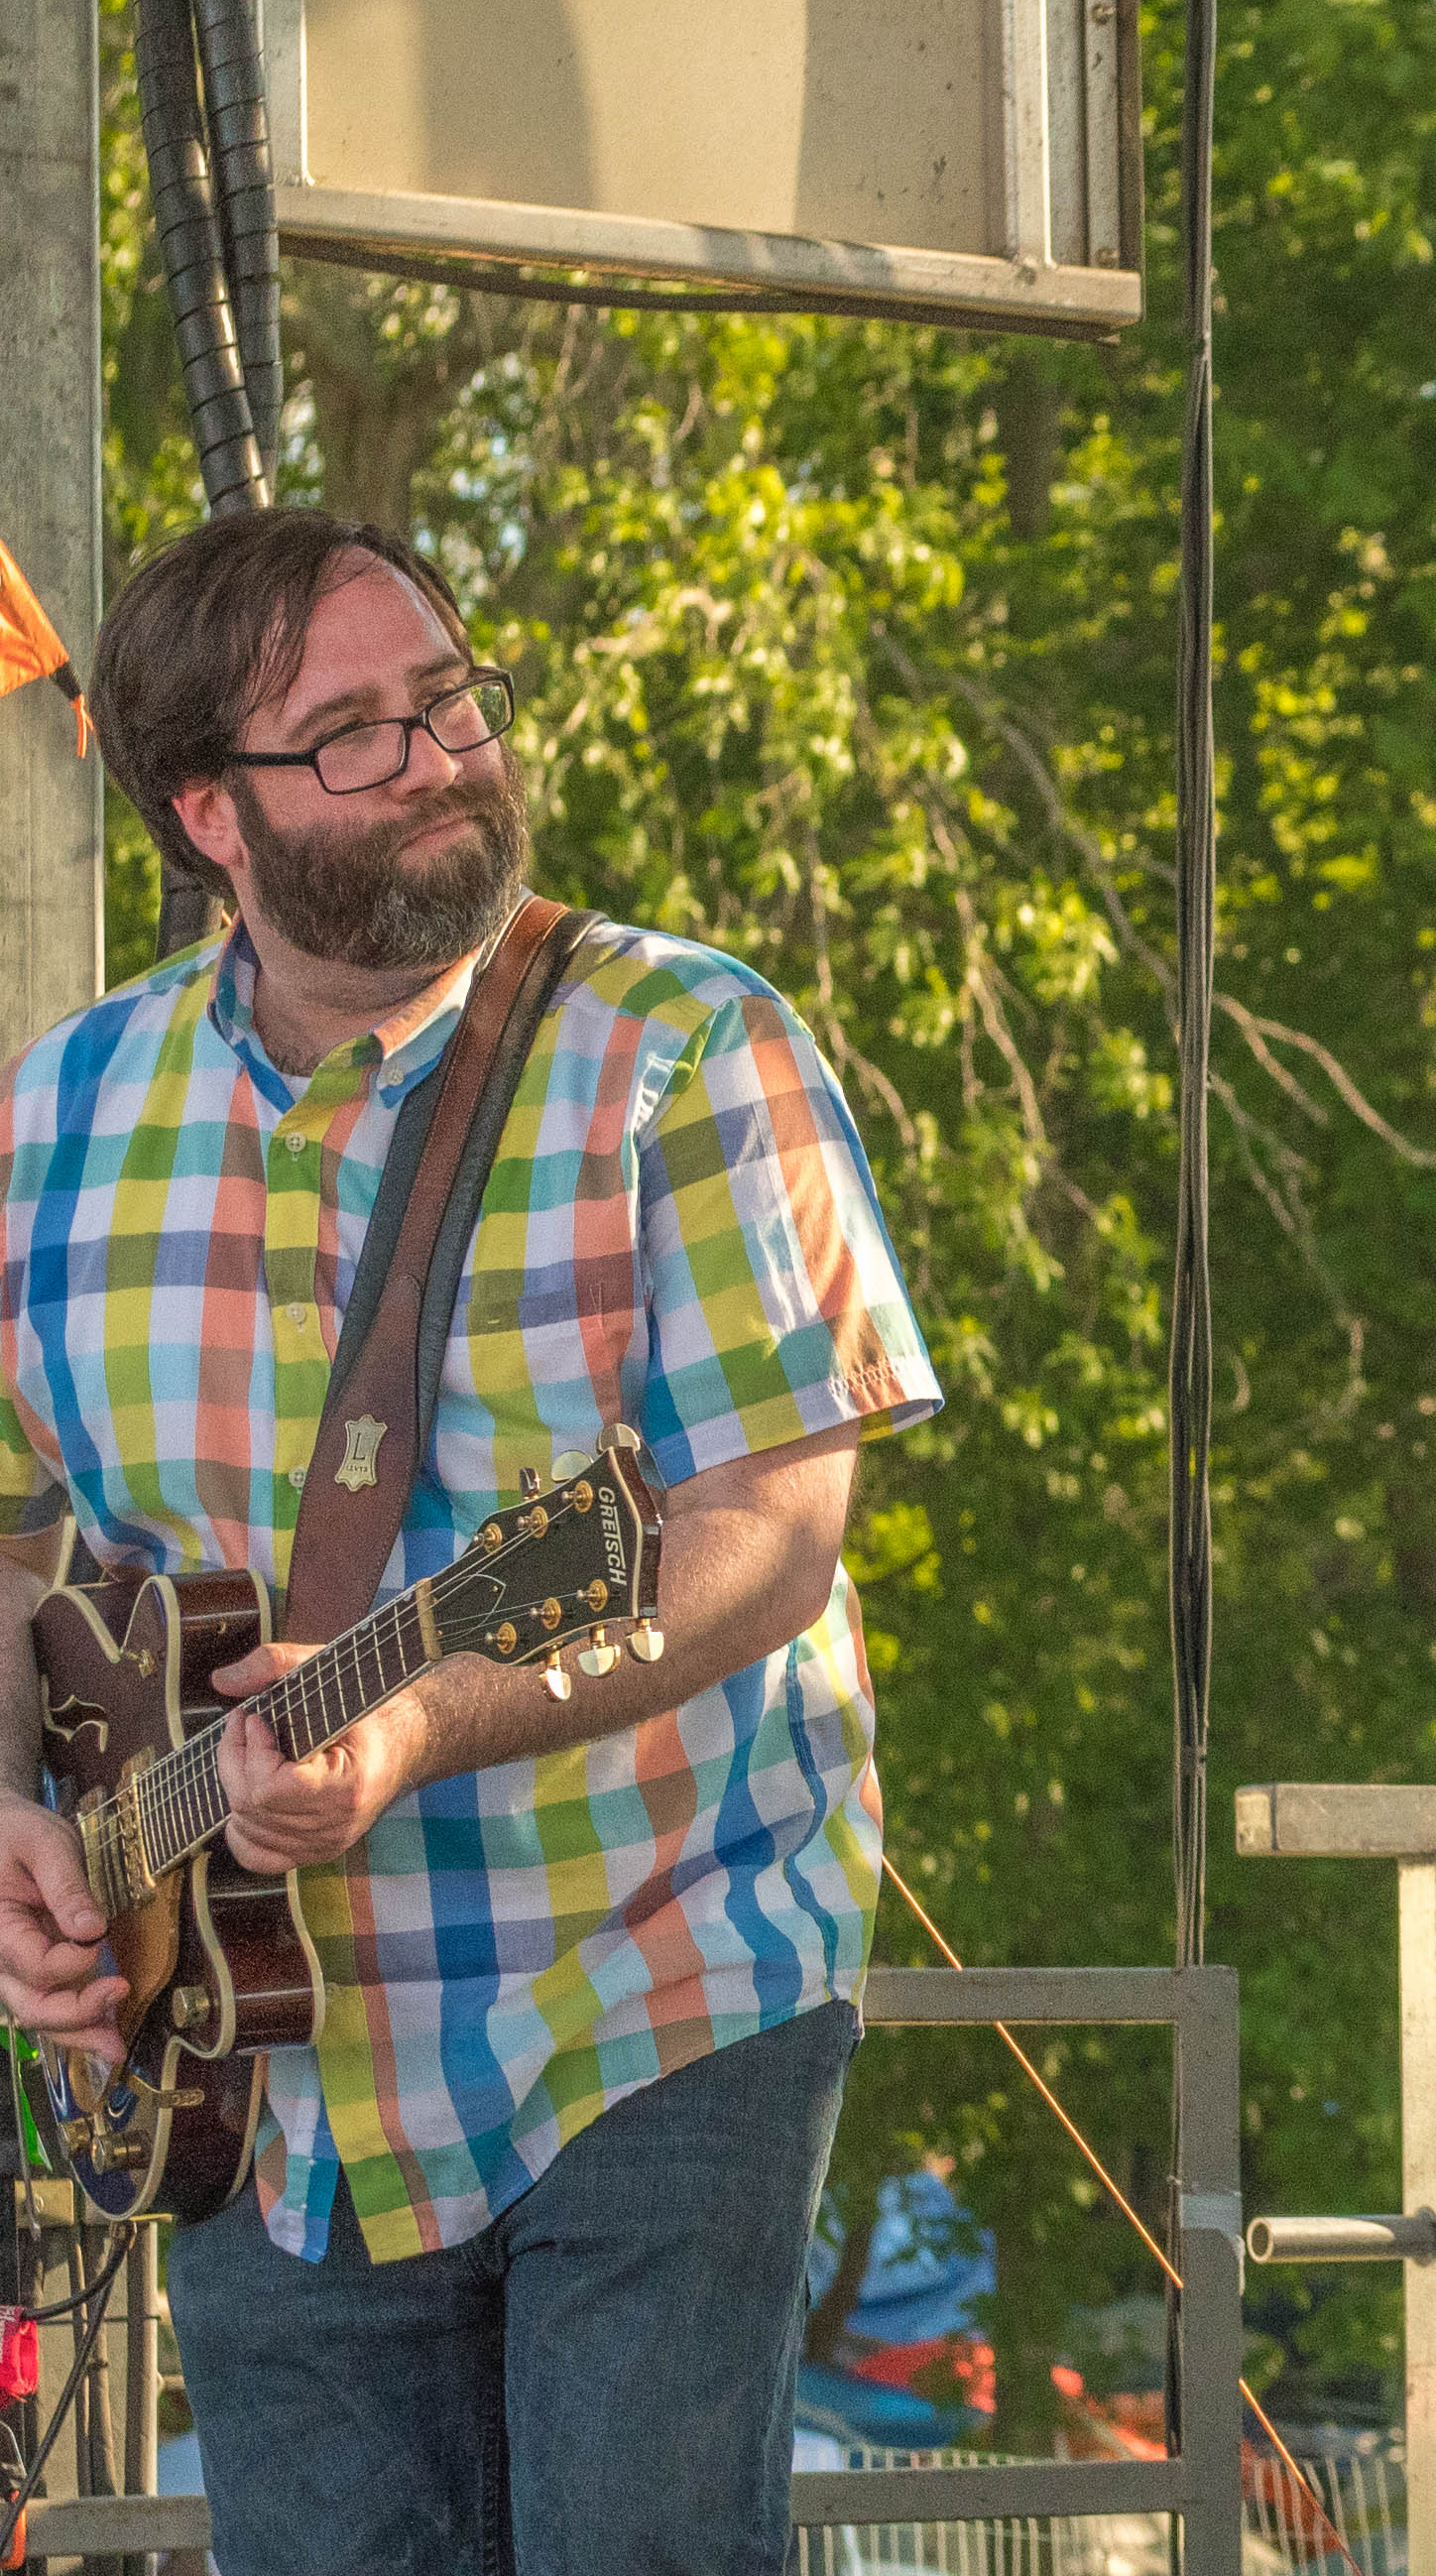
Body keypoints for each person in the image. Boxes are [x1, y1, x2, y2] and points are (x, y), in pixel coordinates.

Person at [0, 507, 940, 2573]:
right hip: (249, 2058)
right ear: (203, 812)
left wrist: (418, 1719)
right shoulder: (55, 1115)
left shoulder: (692, 1047)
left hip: (658, 1974)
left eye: (445, 697)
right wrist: (25, 1816)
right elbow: (22, 1548)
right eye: (351, 733)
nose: (436, 755)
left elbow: (767, 1533)